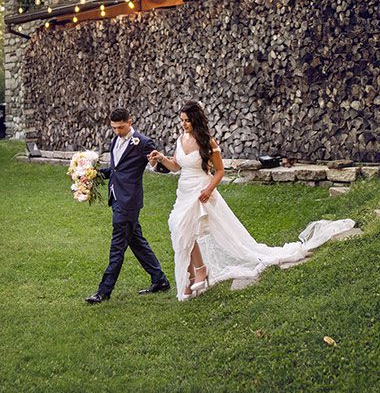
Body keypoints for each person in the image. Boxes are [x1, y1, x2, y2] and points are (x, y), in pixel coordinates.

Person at [148, 101, 356, 301]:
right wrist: (161, 159)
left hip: (201, 190)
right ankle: (197, 272)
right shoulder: (180, 140)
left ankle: (197, 274)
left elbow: (220, 171)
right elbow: (176, 166)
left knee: (185, 228)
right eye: (181, 120)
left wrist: (209, 189)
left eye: (186, 120)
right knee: (179, 227)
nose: (183, 124)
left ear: (195, 120)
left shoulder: (207, 142)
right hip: (184, 190)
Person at [85, 109, 170, 304]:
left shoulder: (143, 142)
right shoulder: (115, 140)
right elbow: (117, 170)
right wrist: (94, 174)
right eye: (114, 127)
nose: (117, 131)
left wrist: (156, 162)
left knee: (117, 247)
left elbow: (161, 167)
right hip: (116, 197)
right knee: (136, 241)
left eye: (121, 127)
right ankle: (160, 280)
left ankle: (103, 292)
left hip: (129, 201)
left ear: (130, 122)